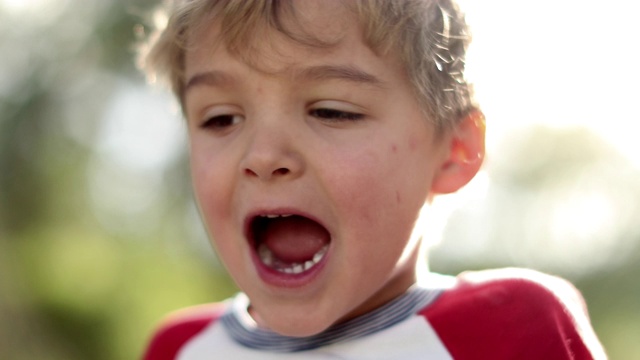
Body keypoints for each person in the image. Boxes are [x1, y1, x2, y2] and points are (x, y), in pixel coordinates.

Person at [138, 0, 606, 358]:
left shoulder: (512, 329)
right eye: (220, 119)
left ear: (454, 152)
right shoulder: (178, 348)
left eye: (331, 111)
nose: (262, 156)